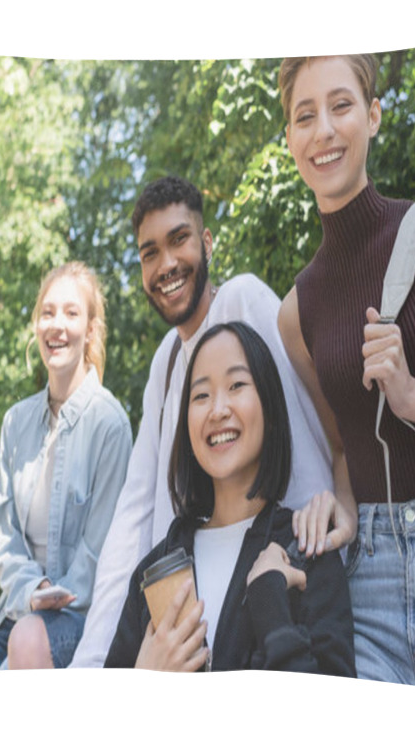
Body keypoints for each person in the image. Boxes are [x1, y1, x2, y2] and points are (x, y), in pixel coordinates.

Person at [276, 54, 415, 692]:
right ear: (289, 138)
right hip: (366, 590)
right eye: (304, 115)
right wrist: (341, 510)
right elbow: (345, 448)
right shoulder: (297, 314)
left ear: (373, 115)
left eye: (341, 105)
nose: (324, 130)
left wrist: (414, 395)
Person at [69, 175, 333, 668]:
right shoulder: (167, 361)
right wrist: (91, 667)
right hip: (181, 616)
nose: (166, 264)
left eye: (179, 240)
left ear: (207, 242)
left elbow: (300, 435)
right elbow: (134, 515)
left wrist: (313, 559)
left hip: (266, 590)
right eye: (150, 253)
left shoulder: (243, 302)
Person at [105, 322, 355, 674]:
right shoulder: (153, 569)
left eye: (237, 385)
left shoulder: (307, 554)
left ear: (269, 405)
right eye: (201, 395)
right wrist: (145, 676)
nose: (217, 409)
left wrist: (271, 604)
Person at [0, 261, 132, 672]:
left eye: (72, 313)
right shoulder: (16, 423)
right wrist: (33, 590)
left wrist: (56, 596)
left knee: (26, 642)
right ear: (37, 326)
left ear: (90, 329)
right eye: (47, 313)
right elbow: (3, 537)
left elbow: (102, 551)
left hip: (80, 617)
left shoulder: (110, 425)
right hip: (19, 610)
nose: (57, 325)